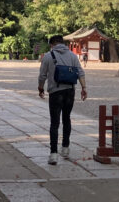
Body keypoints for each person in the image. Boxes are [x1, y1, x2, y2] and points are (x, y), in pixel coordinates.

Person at [38, 34, 86, 165]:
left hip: (55, 91)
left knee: (54, 122)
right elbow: (80, 72)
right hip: (70, 91)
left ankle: (53, 154)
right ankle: (65, 148)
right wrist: (84, 88)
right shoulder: (72, 56)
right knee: (66, 119)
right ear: (63, 43)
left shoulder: (48, 56)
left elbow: (42, 75)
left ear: (52, 44)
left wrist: (40, 88)